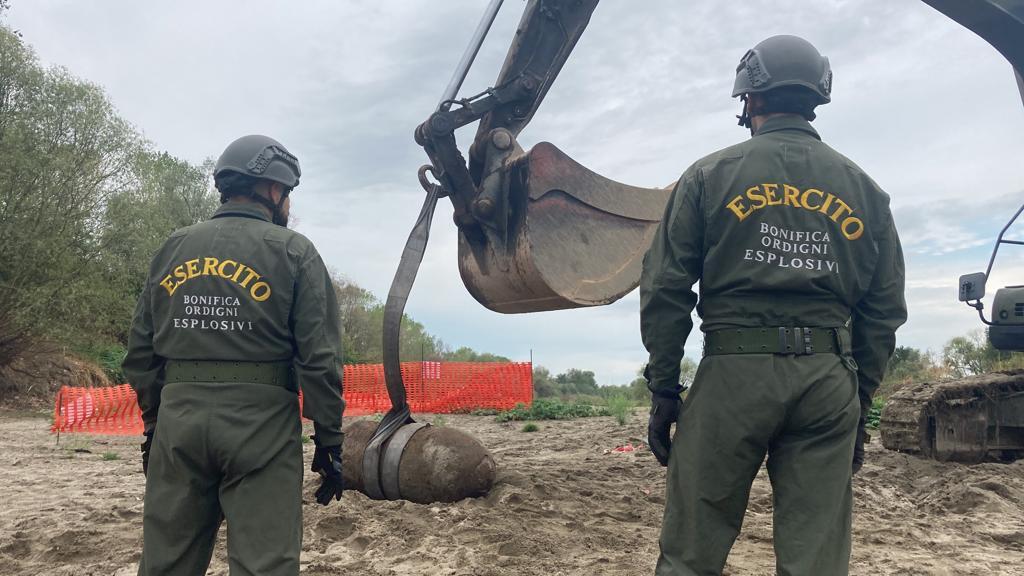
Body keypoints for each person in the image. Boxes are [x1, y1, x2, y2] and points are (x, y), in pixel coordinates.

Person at [640, 35, 906, 575]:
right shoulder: (866, 191)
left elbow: (666, 288)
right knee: (817, 561)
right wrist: (859, 400)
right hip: (827, 381)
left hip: (733, 377)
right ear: (816, 100)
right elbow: (883, 310)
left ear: (750, 99)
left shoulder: (708, 176)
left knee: (691, 552)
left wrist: (665, 387)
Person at [123, 134, 346, 576]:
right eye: (287, 192)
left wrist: (154, 424)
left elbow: (140, 351)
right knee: (265, 565)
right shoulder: (294, 251)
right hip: (261, 428)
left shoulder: (173, 247)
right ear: (273, 189)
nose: (288, 203)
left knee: (165, 564)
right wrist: (329, 439)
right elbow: (320, 358)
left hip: (179, 423)